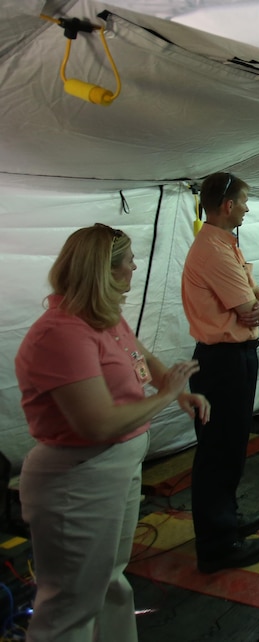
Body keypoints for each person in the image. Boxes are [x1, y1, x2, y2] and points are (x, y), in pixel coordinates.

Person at [14, 224, 210, 641]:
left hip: (112, 468)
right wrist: (166, 395)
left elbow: (138, 354)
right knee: (71, 602)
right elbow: (96, 423)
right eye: (129, 261)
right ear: (105, 271)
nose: (135, 267)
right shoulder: (62, 333)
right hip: (79, 477)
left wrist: (175, 392)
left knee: (109, 579)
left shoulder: (102, 318)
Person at [182, 172, 259, 573]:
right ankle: (217, 545)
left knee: (231, 445)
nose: (248, 208)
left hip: (234, 356)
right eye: (245, 201)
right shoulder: (214, 252)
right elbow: (246, 306)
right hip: (222, 360)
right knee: (219, 450)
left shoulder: (224, 244)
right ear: (228, 205)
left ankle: (226, 518)